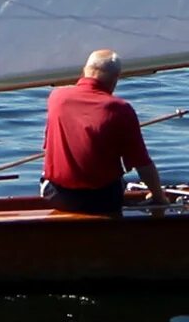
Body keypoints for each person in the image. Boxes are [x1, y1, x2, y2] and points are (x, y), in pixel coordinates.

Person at [42, 48, 167, 217]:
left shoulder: (56, 98)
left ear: (84, 71)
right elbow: (141, 163)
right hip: (102, 200)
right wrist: (158, 197)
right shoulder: (120, 109)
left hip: (57, 196)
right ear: (116, 79)